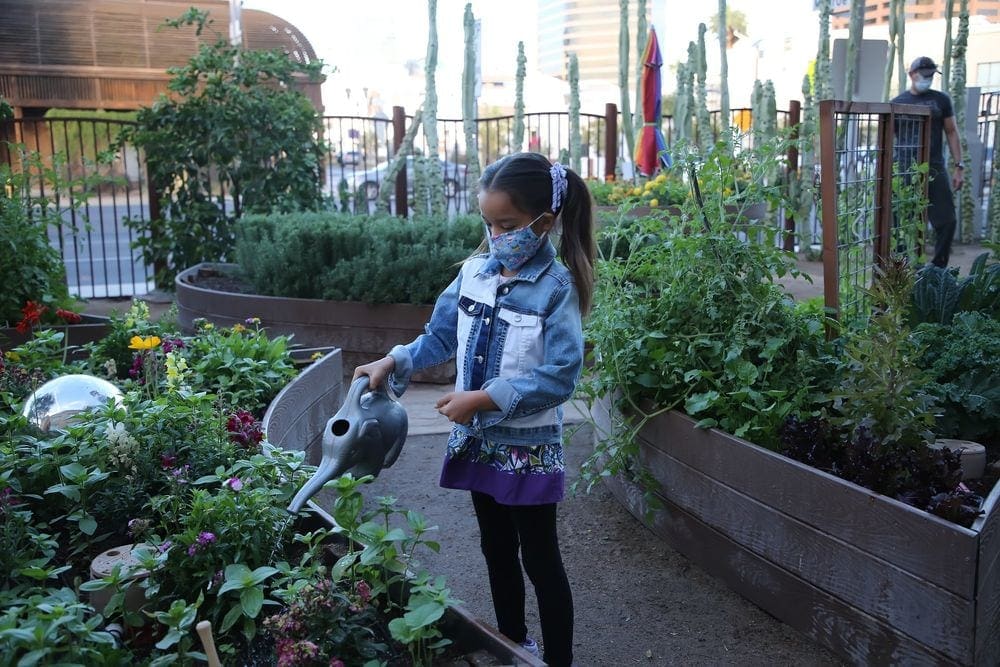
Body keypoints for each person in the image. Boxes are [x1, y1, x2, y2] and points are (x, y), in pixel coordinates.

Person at [353, 152, 595, 667]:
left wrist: (484, 398)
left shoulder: (556, 290)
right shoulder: (471, 274)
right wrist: (392, 359)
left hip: (526, 449)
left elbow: (559, 375)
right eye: (488, 223)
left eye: (507, 224)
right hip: (479, 444)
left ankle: (558, 661)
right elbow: (439, 336)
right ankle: (514, 646)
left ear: (543, 223)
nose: (496, 234)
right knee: (495, 549)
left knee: (541, 560)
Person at [891, 56, 965, 267]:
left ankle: (937, 268)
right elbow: (889, 138)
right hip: (904, 167)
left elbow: (951, 131)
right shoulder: (898, 103)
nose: (928, 79)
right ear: (912, 74)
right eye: (924, 75)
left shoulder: (941, 100)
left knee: (948, 220)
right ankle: (903, 268)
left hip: (933, 166)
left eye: (931, 75)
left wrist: (959, 166)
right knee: (901, 221)